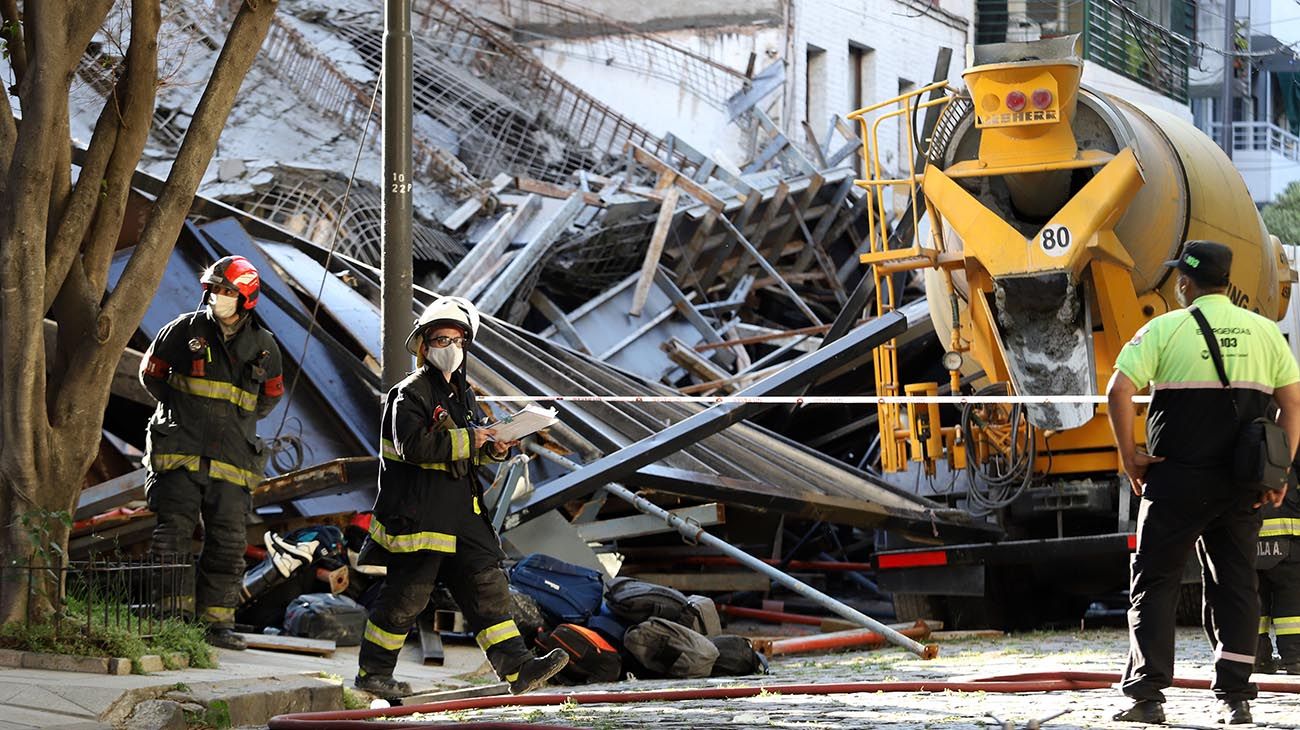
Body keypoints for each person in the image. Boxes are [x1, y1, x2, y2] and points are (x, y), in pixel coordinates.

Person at [1106, 240, 1300, 724]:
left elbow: (1119, 389)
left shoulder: (1165, 329)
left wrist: (1130, 456)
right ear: (1226, 281)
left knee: (1155, 580)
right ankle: (1236, 700)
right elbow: (1293, 405)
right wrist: (1280, 470)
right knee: (1235, 583)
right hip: (1242, 481)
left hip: (1175, 479)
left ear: (1186, 282)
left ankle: (1147, 697)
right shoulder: (1265, 332)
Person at [354, 296, 568, 700]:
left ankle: (518, 668)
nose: (448, 347)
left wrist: (494, 446)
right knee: (406, 598)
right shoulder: (409, 393)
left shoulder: (462, 394)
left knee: (488, 588)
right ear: (423, 345)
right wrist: (473, 439)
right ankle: (373, 674)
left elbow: (465, 448)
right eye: (439, 339)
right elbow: (414, 445)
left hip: (461, 514)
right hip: (419, 516)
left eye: (456, 339)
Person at [140, 255, 284, 651]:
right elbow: (151, 375)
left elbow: (270, 396)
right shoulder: (181, 331)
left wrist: (236, 423)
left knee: (228, 542)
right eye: (214, 289)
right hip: (180, 453)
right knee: (173, 536)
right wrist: (180, 411)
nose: (217, 296)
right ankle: (172, 620)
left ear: (245, 298)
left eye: (226, 291)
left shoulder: (265, 347)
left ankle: (216, 624)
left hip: (234, 460)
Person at [1257, 460, 1300, 675]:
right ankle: (1294, 658)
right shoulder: (1289, 441)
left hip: (1249, 536)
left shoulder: (1240, 433)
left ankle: (1256, 658)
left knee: (1253, 602)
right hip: (1289, 537)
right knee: (1291, 602)